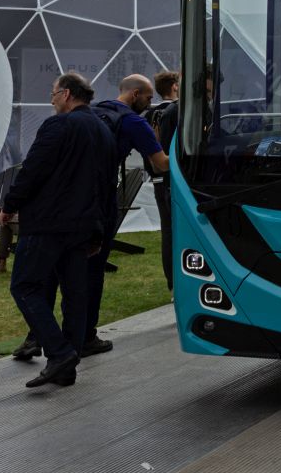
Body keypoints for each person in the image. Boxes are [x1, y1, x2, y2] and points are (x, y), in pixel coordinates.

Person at [1, 71, 115, 388]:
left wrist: (10, 205)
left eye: (53, 94)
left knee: (25, 286)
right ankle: (66, 366)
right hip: (83, 227)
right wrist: (99, 230)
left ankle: (60, 352)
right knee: (75, 295)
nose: (51, 100)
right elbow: (107, 184)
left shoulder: (59, 125)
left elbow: (33, 169)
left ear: (66, 94)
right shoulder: (103, 130)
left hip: (48, 222)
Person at [84, 74, 170, 353]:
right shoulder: (134, 122)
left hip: (71, 199)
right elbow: (161, 164)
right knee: (94, 269)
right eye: (148, 98)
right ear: (134, 94)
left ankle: (38, 335)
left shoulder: (91, 111)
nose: (150, 103)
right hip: (101, 200)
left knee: (64, 267)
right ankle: (86, 336)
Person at [146, 70, 179, 290]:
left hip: (157, 179)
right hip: (171, 179)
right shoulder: (175, 112)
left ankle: (171, 283)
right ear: (174, 86)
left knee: (167, 231)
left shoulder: (149, 114)